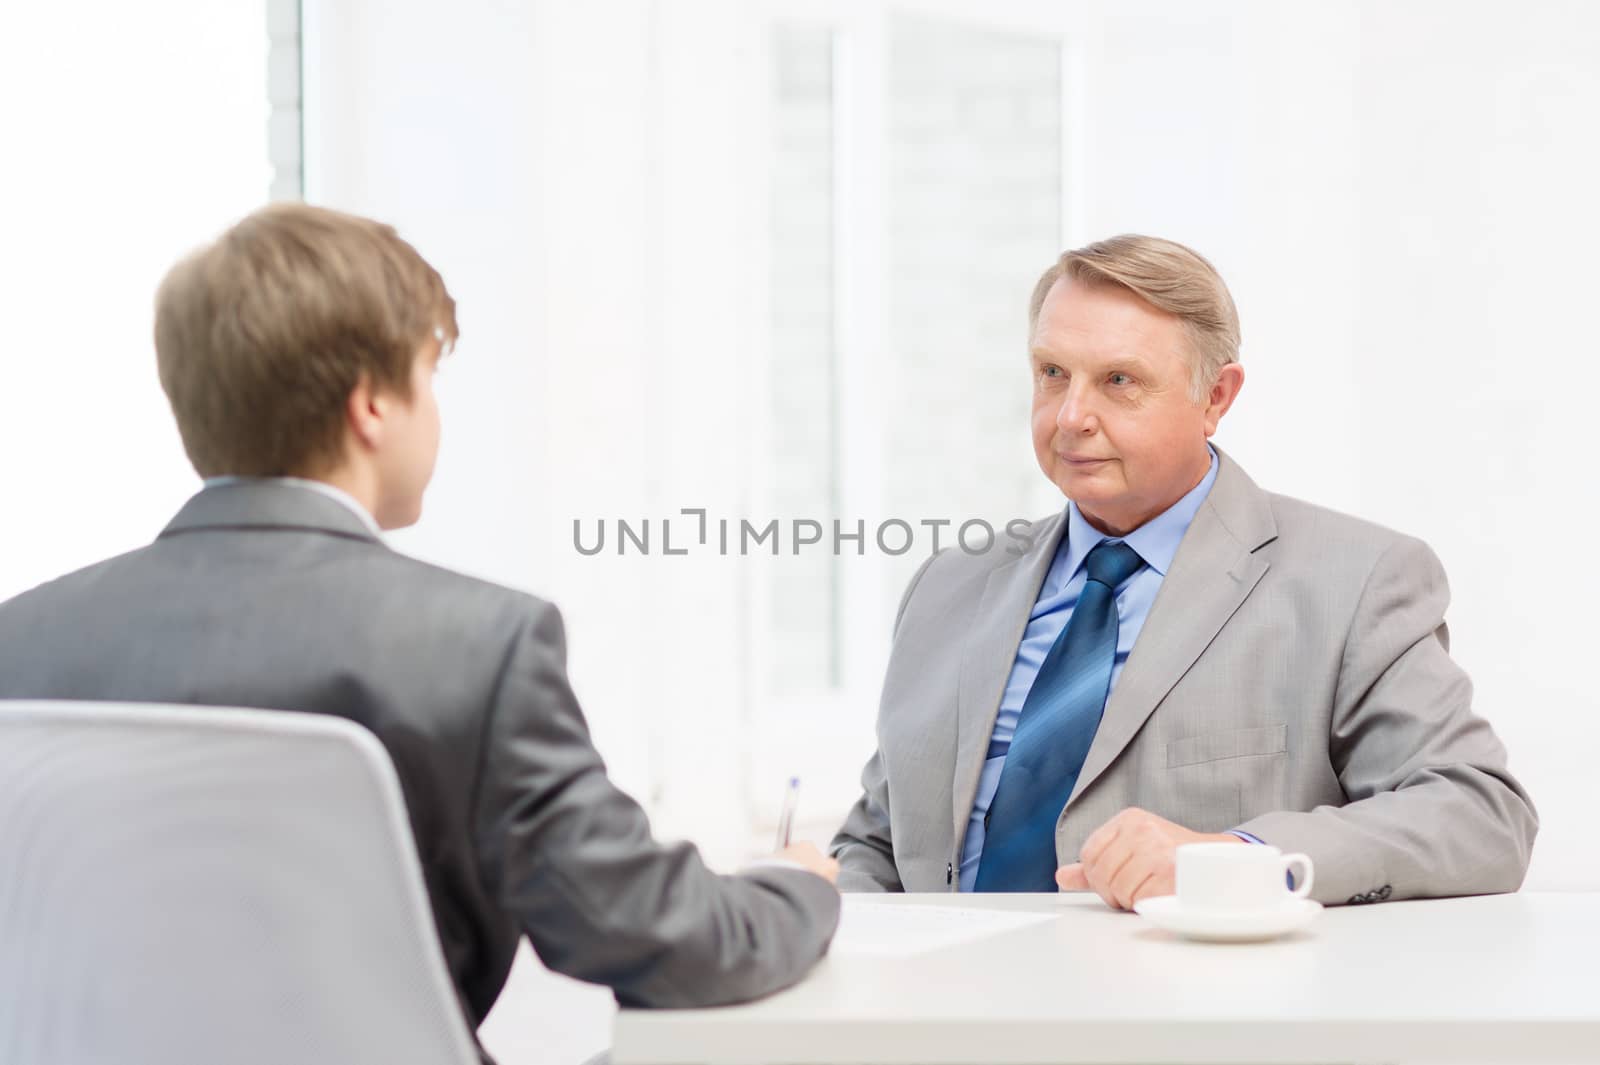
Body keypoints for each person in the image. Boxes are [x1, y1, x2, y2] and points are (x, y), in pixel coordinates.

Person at [0, 204, 839, 1055]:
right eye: (428, 377)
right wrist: (793, 888)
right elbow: (655, 935)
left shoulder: (19, 644)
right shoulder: (478, 648)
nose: (436, 411)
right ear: (372, 404)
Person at [830, 234, 1536, 908]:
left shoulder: (1355, 582)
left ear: (1216, 398)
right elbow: (879, 845)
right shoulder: (948, 588)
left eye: (1118, 381)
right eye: (1052, 373)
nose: (1071, 415)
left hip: (1188, 1020)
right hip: (938, 1020)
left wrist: (1236, 857)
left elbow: (1480, 814)